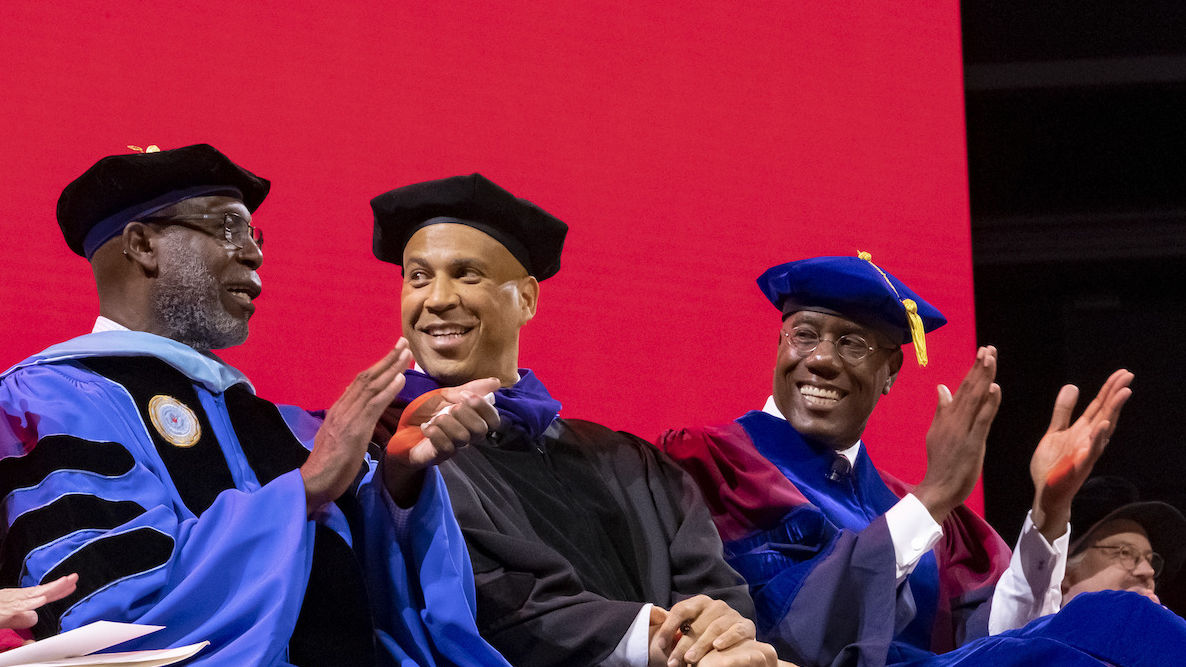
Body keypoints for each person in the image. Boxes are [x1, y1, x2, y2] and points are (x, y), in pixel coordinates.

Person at [0, 145, 509, 666]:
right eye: (227, 230)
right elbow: (102, 615)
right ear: (142, 244)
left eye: (253, 235)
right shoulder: (55, 399)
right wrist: (306, 489)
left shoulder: (276, 424)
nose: (253, 253)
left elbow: (370, 602)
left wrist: (399, 477)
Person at [369, 174, 781, 667]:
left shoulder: (631, 462)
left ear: (526, 299)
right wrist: (659, 642)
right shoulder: (383, 447)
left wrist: (720, 630)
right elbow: (481, 596)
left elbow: (713, 590)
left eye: (467, 274)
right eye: (418, 277)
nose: (436, 298)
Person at [656, 254, 1133, 666]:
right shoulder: (712, 463)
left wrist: (1050, 514)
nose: (821, 359)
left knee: (1127, 628)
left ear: (890, 373)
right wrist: (932, 498)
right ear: (780, 345)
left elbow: (996, 644)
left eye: (852, 343)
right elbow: (789, 631)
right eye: (804, 334)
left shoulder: (914, 510)